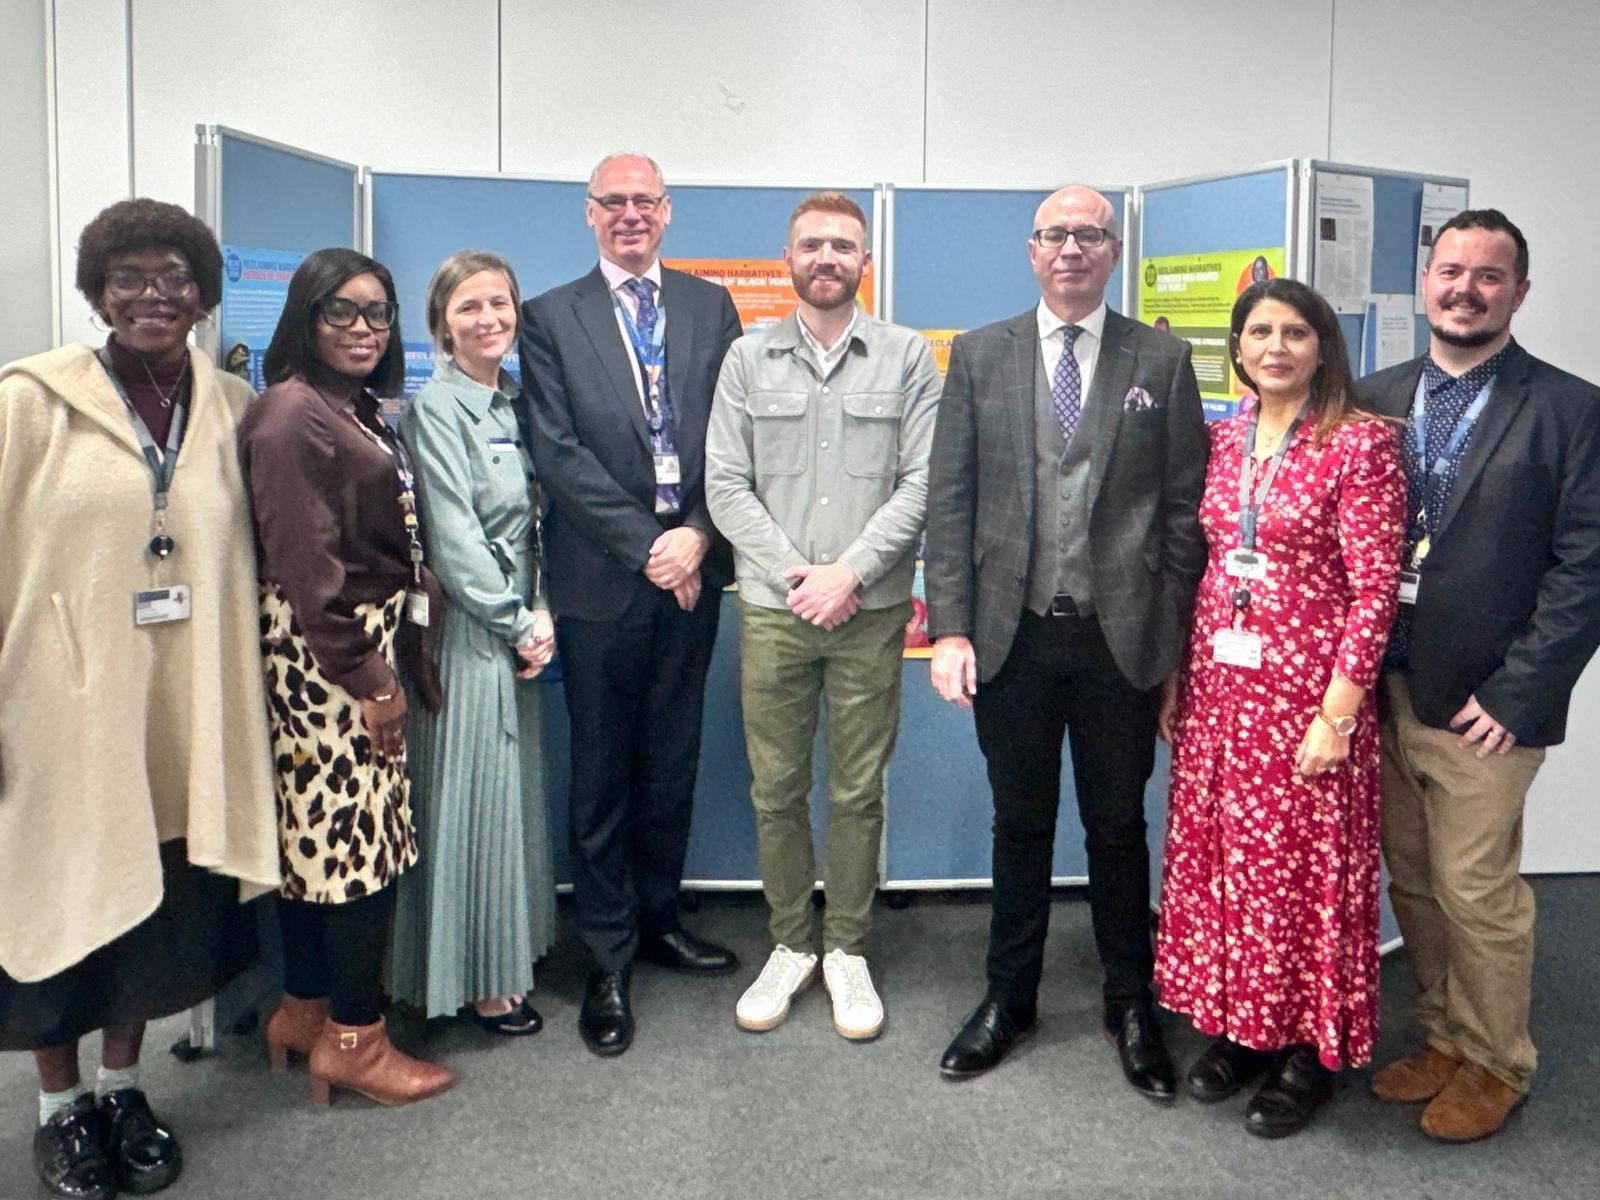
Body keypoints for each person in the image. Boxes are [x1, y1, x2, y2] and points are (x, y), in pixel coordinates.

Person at [0, 198, 280, 1200]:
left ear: (205, 294)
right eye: (131, 279)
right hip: (58, 711)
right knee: (59, 901)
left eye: (174, 279)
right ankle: (57, 1110)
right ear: (97, 291)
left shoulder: (232, 409)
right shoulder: (29, 401)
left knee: (152, 913)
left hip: (179, 712)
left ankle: (122, 1088)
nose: (154, 297)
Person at [923, 186, 1207, 1096]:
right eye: (1056, 235)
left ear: (1113, 250)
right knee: (1021, 824)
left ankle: (1132, 1003)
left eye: (1089, 234)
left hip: (1119, 641)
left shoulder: (1160, 359)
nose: (1072, 249)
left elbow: (1181, 511)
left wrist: (1165, 631)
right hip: (1012, 638)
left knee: (1119, 827)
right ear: (1032, 249)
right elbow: (952, 499)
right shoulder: (979, 355)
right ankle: (1012, 998)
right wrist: (952, 627)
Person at [1358, 209, 1600, 1143]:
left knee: (1477, 888)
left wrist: (1520, 694)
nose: (1465, 288)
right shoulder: (1376, 395)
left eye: (1488, 276)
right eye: (1450, 270)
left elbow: (1586, 570)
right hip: (1382, 687)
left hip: (1485, 706)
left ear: (1519, 293)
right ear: (1425, 284)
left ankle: (1501, 1061)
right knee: (1413, 883)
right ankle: (1447, 1037)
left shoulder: (1571, 410)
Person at [1153, 278, 1405, 1137]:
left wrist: (1337, 714)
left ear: (1324, 347)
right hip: (1223, 693)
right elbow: (1209, 563)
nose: (1276, 347)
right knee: (1229, 868)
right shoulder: (1221, 440)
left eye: (1296, 332)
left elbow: (1376, 593)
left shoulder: (1361, 446)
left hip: (1308, 696)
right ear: (1236, 348)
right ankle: (1242, 1029)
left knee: (1301, 876)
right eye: (1259, 331)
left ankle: (1308, 1051)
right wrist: (1179, 682)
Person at [520, 152, 744, 1056]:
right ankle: (606, 952)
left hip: (693, 571)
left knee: (671, 759)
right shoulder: (547, 316)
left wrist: (696, 531)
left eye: (644, 201)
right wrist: (652, 548)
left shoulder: (709, 307)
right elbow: (557, 452)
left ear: (668, 211)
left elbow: (733, 438)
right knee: (604, 770)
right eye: (611, 202)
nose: (629, 215)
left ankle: (659, 919)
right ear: (587, 214)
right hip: (603, 580)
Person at [706, 192, 941, 1041]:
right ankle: (789, 944)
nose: (828, 257)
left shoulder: (908, 357)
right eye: (813, 244)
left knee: (857, 786)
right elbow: (725, 485)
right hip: (774, 611)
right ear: (789, 259)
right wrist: (798, 575)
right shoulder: (746, 358)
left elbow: (922, 482)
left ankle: (845, 947)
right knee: (775, 787)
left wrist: (850, 573)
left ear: (865, 260)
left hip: (870, 611)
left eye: (844, 244)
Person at [237, 248, 453, 1107]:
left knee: (320, 848)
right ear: (304, 317)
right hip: (330, 655)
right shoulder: (292, 416)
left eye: (377, 313)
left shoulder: (348, 409)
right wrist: (372, 681)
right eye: (341, 312)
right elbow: (305, 570)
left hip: (341, 647)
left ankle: (305, 1011)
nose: (363, 329)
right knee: (360, 855)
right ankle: (357, 1042)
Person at [388, 251, 557, 1035]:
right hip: (468, 636)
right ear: (440, 325)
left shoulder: (518, 401)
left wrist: (541, 611)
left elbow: (534, 526)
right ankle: (473, 979)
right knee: (470, 799)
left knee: (509, 797)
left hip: (522, 627)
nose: (488, 318)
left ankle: (509, 953)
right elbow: (452, 541)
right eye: (469, 308)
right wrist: (518, 621)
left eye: (499, 303)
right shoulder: (437, 410)